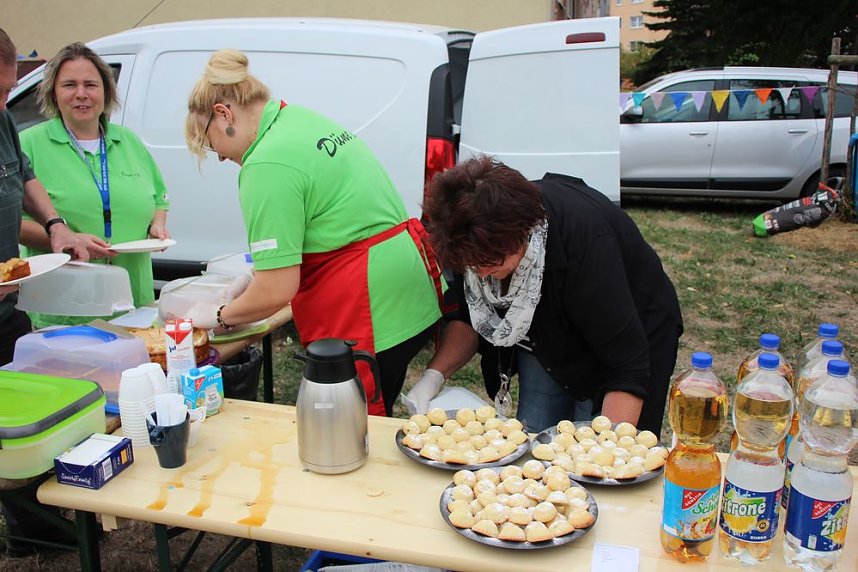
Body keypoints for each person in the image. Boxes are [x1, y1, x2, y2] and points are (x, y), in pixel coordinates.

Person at [183, 49, 442, 416]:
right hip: (407, 289)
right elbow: (327, 218)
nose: (222, 157)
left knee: (350, 429)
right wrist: (255, 275)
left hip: (369, 305)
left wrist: (221, 314)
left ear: (224, 115)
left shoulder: (266, 162)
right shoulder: (298, 119)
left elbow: (277, 290)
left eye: (212, 145)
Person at [407, 156, 683, 435]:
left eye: (491, 262)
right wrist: (433, 377)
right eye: (473, 266)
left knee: (598, 448)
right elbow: (469, 319)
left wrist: (607, 450)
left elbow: (628, 368)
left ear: (523, 233)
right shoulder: (477, 240)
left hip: (629, 332)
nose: (481, 274)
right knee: (536, 437)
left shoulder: (585, 241)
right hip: (546, 337)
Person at [0, 28, 88, 558]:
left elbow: (26, 178)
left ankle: (37, 533)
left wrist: (54, 223)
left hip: (6, 305)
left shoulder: (3, 120)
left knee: (23, 421)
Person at [17, 42, 170, 329]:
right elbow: (13, 223)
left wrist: (157, 225)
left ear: (106, 92)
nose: (81, 94)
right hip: (64, 308)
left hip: (133, 302)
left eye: (91, 84)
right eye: (69, 85)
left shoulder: (129, 142)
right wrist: (66, 238)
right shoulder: (29, 145)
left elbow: (159, 199)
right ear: (53, 92)